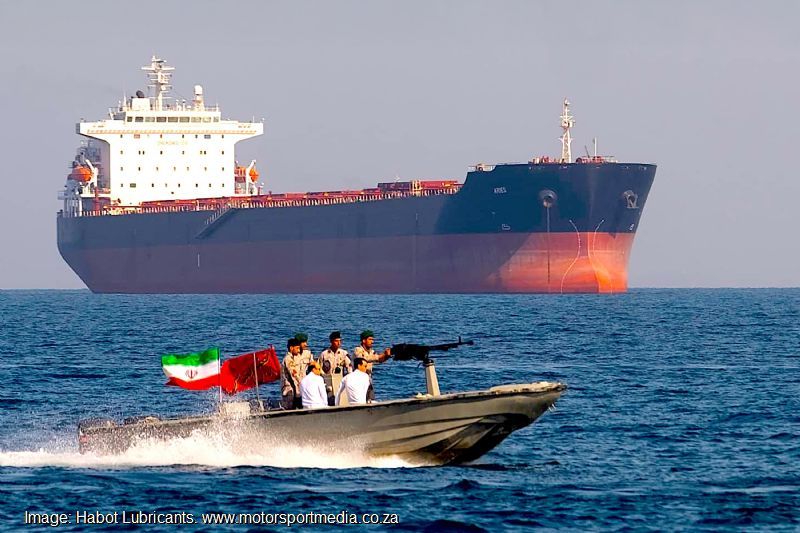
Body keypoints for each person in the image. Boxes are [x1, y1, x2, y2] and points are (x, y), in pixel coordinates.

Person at [352, 329, 392, 401]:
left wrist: (387, 356)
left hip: (368, 381)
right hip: (358, 382)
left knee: (371, 400)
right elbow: (365, 359)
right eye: (370, 339)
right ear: (364, 340)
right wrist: (382, 355)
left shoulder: (372, 352)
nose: (372, 342)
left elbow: (379, 360)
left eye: (372, 340)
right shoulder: (357, 350)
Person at [281, 338, 312, 409]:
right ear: (291, 348)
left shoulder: (296, 358)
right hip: (289, 390)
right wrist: (303, 384)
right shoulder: (288, 359)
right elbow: (294, 374)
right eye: (297, 348)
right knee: (290, 410)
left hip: (297, 389)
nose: (299, 350)